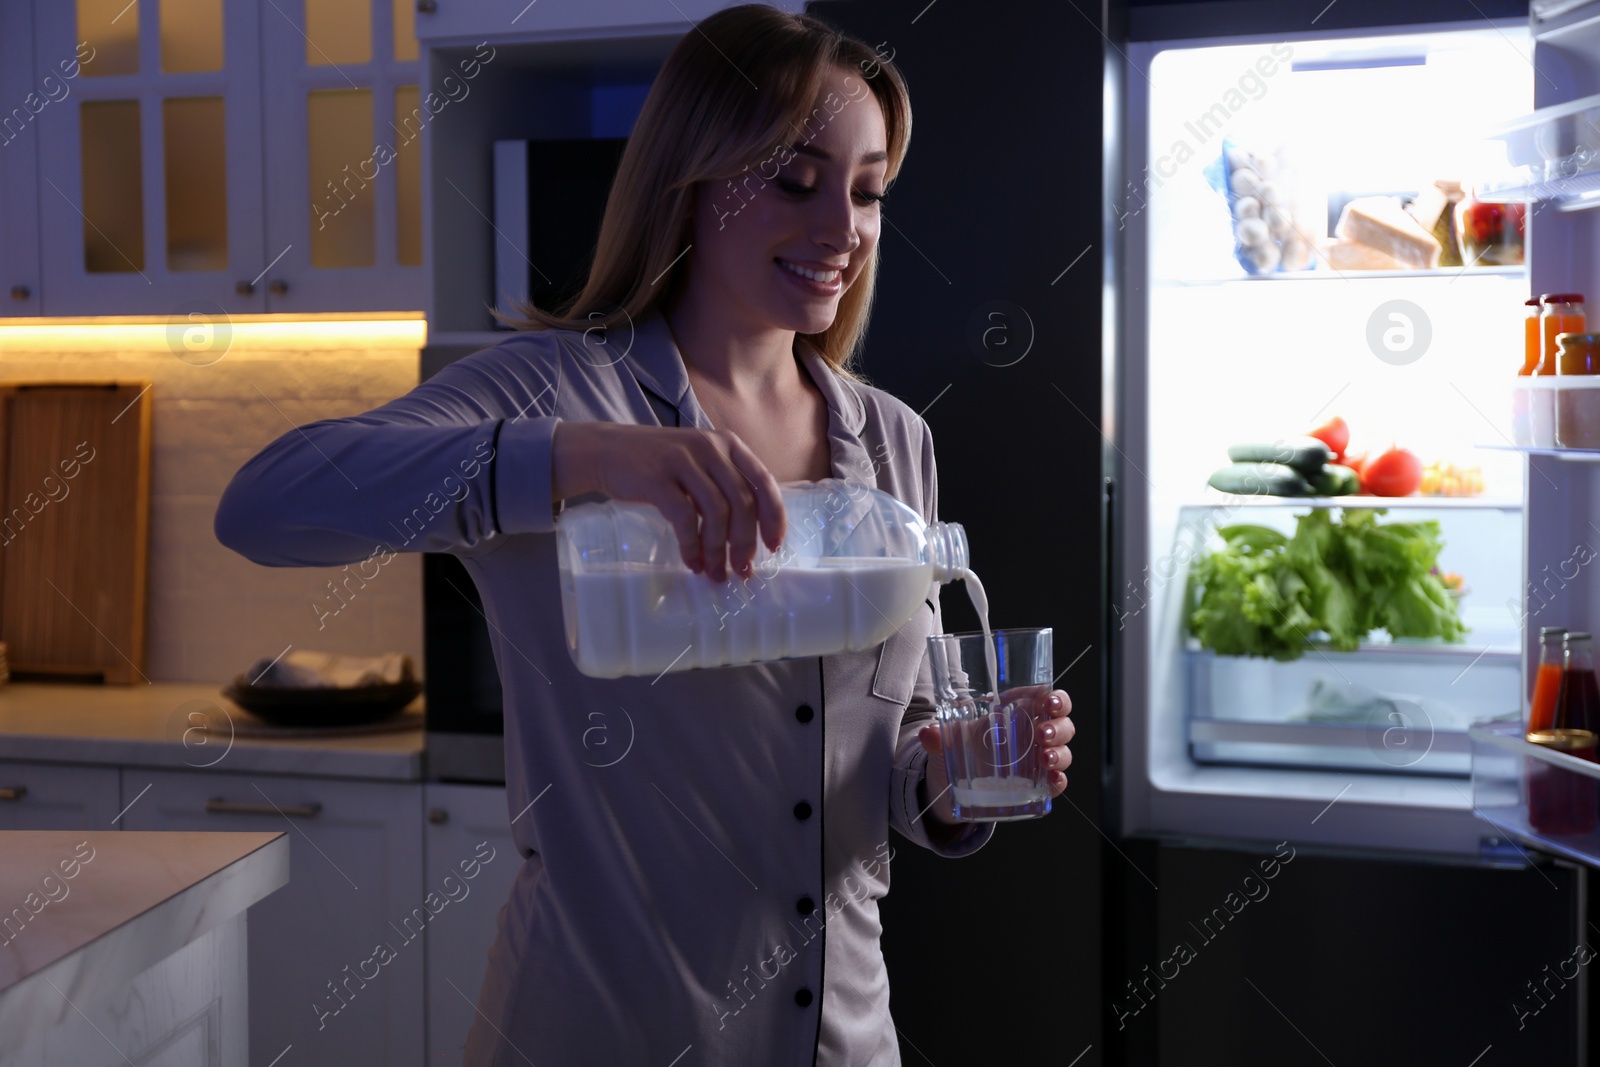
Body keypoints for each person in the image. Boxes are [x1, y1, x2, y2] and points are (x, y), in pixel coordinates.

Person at [213, 5, 1075, 1064]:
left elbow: (876, 761)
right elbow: (264, 503)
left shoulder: (892, 439)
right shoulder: (555, 390)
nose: (841, 227)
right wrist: (585, 458)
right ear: (691, 177)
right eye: (796, 179)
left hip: (842, 1039)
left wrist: (949, 770)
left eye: (866, 191)